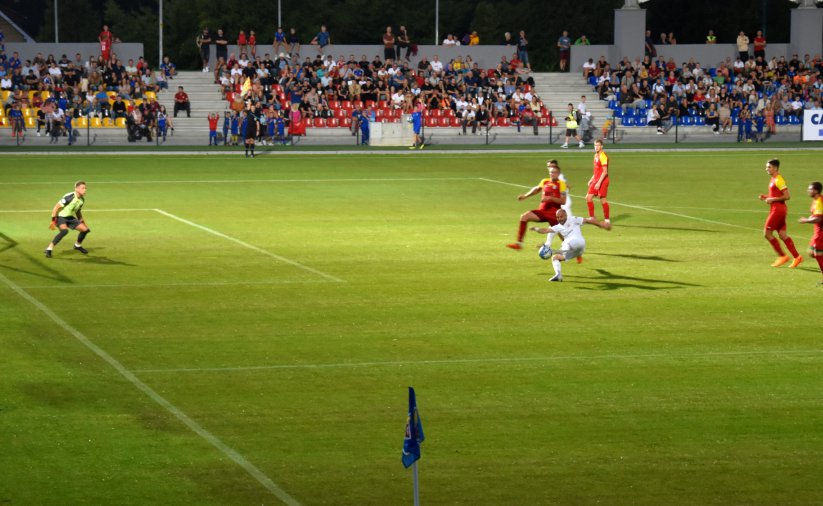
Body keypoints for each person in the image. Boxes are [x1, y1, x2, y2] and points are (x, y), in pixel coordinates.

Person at [531, 209, 611, 282]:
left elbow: (588, 220)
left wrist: (601, 225)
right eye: (557, 217)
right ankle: (558, 275)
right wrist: (536, 229)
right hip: (578, 251)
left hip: (577, 242)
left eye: (561, 216)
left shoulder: (573, 219)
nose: (559, 219)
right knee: (555, 258)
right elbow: (546, 230)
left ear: (566, 215)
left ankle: (549, 250)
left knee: (566, 243)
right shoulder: (558, 227)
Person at [506, 164, 567, 250]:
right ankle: (519, 244)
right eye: (551, 172)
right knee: (524, 217)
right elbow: (536, 189)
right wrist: (525, 196)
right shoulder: (545, 181)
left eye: (555, 172)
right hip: (542, 211)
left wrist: (550, 198)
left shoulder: (562, 184)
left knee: (562, 233)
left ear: (558, 174)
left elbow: (563, 201)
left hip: (554, 213)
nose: (552, 174)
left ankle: (573, 249)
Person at [759, 159, 802, 268]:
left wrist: (772, 199)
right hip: (778, 209)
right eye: (766, 167)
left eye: (769, 167)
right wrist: (766, 197)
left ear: (775, 168)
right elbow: (775, 195)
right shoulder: (773, 179)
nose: (766, 169)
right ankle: (797, 257)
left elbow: (787, 196)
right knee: (783, 235)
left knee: (767, 233)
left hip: (777, 210)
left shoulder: (779, 180)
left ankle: (783, 256)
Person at [45, 181, 90, 258]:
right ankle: (49, 249)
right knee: (64, 231)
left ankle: (77, 245)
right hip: (60, 217)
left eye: (85, 188)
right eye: (83, 188)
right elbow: (56, 207)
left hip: (70, 218)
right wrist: (53, 220)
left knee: (85, 230)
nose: (85, 190)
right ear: (77, 189)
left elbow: (78, 212)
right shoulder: (70, 197)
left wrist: (82, 222)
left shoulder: (82, 200)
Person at [798, 181, 823, 283]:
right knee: (811, 252)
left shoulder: (819, 201)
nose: (808, 191)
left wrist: (806, 220)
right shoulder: (816, 200)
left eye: (810, 189)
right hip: (817, 231)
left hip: (821, 232)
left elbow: (819, 219)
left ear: (816, 191)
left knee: (818, 254)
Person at [586, 139, 610, 224]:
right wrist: (591, 179)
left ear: (602, 146)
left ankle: (607, 220)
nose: (596, 147)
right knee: (588, 198)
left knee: (603, 200)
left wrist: (599, 183)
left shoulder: (603, 156)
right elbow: (596, 170)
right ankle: (592, 217)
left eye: (598, 145)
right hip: (596, 179)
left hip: (603, 180)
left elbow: (605, 172)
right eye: (595, 145)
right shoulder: (595, 155)